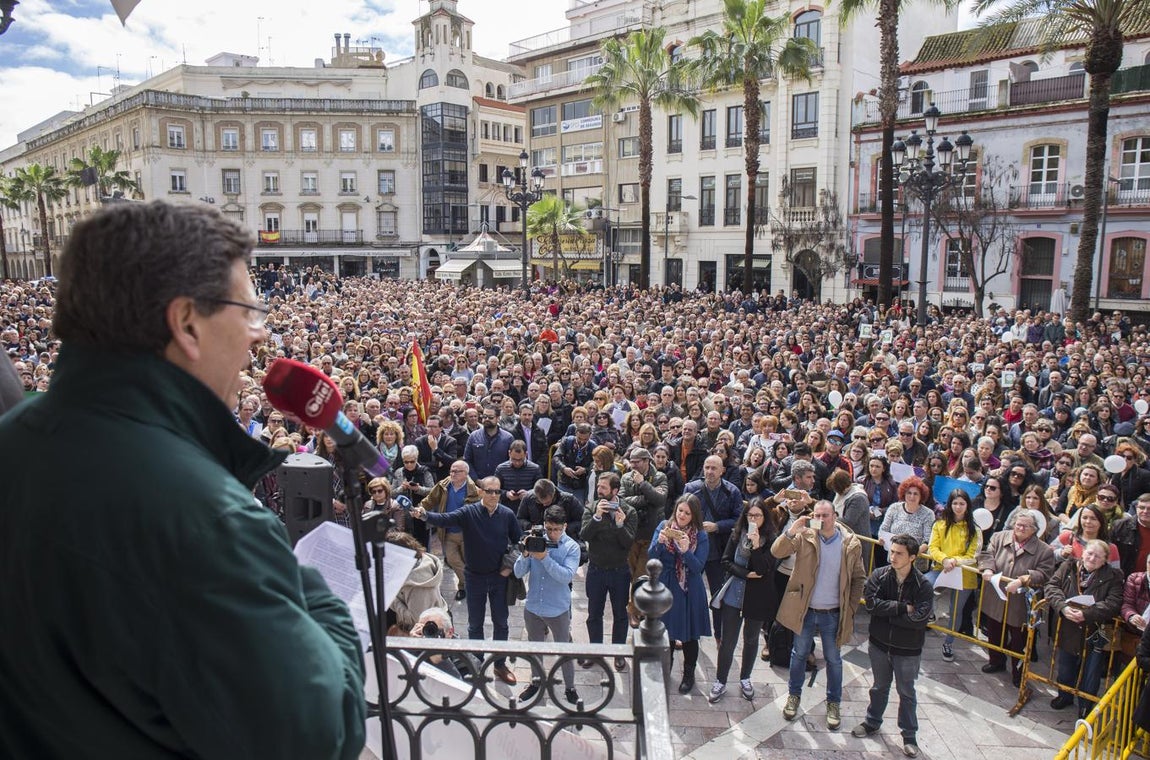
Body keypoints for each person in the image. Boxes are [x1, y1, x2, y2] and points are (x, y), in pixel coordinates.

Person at [0, 201, 366, 758]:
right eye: (248, 311)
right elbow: (317, 735)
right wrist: (308, 589)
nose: (258, 338)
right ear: (187, 323)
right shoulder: (207, 521)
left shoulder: (14, 437)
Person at [412, 475, 523, 686]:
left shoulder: (507, 515)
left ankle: (500, 664)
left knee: (501, 623)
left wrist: (508, 567)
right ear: (480, 491)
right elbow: (445, 519)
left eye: (497, 492)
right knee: (475, 624)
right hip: (475, 577)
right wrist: (424, 514)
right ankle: (477, 664)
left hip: (499, 578)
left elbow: (519, 542)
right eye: (489, 491)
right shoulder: (469, 512)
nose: (493, 495)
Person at [772, 499, 866, 730]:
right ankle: (794, 696)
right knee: (799, 654)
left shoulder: (850, 543)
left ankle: (834, 703)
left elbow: (858, 578)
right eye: (817, 515)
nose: (821, 520)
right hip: (806, 609)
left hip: (833, 613)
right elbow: (777, 551)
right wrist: (792, 531)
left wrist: (851, 607)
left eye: (825, 515)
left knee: (834, 659)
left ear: (835, 516)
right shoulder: (805, 537)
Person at [853, 534, 934, 758]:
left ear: (912, 558)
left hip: (907, 650)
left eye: (899, 553)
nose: (893, 557)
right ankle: (872, 721)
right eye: (892, 551)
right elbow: (871, 604)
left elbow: (920, 618)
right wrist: (901, 608)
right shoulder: (880, 575)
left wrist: (887, 615)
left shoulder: (923, 585)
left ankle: (909, 736)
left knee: (906, 692)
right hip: (879, 644)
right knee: (879, 687)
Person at [707, 498, 779, 703]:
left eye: (758, 515)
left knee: (751, 639)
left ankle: (745, 678)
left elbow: (763, 569)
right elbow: (726, 561)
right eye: (750, 515)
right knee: (728, 641)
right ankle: (720, 681)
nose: (754, 519)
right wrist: (745, 574)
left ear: (765, 517)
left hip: (756, 598)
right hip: (734, 594)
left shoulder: (772, 539)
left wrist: (756, 546)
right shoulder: (737, 533)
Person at [977, 509, 1057, 686]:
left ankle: (1018, 673)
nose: (1020, 528)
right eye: (1018, 524)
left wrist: (1023, 579)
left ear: (1034, 529)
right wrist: (988, 568)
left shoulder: (1044, 550)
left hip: (1021, 603)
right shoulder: (999, 537)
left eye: (1026, 526)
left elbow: (1044, 573)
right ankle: (995, 661)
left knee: (1018, 641)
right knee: (994, 632)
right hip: (996, 597)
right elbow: (987, 554)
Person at [512, 505, 582, 705]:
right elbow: (518, 573)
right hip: (533, 607)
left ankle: (570, 687)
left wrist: (544, 558)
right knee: (534, 649)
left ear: (565, 527)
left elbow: (565, 576)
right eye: (549, 529)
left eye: (556, 530)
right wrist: (525, 554)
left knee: (564, 650)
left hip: (558, 609)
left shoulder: (572, 548)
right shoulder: (536, 541)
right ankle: (536, 683)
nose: (552, 534)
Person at [1045, 539, 1123, 717]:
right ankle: (1064, 695)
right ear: (1083, 553)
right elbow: (1051, 586)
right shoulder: (1069, 566)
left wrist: (1087, 614)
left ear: (1105, 560)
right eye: (1089, 553)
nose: (1092, 558)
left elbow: (1113, 603)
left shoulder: (1114, 576)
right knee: (1065, 665)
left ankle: (1086, 705)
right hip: (1067, 626)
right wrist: (1063, 607)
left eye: (1098, 556)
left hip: (1094, 630)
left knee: (1091, 671)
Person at [650, 494, 712, 694]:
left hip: (689, 589)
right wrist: (659, 543)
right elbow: (651, 559)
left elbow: (698, 568)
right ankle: (664, 669)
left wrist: (686, 551)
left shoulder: (700, 536)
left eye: (687, 512)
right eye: (680, 511)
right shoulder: (663, 526)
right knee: (664, 632)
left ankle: (688, 674)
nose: (682, 515)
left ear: (694, 516)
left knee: (689, 636)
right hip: (666, 585)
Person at [684, 454, 745, 643]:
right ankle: (685, 631)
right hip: (694, 548)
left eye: (714, 468)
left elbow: (738, 519)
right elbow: (681, 514)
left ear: (722, 471)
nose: (709, 472)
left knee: (718, 595)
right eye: (707, 467)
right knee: (686, 590)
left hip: (718, 551)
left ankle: (719, 635)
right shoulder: (692, 489)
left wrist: (718, 526)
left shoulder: (732, 491)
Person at [581, 472, 638, 672]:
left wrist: (620, 524)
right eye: (598, 487)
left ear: (615, 491)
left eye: (604, 488)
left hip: (619, 570)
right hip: (596, 570)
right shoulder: (591, 507)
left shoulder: (629, 511)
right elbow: (584, 534)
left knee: (620, 614)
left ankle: (618, 652)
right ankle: (595, 651)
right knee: (593, 614)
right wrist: (597, 517)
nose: (599, 490)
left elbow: (628, 542)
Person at [926, 489, 979, 661]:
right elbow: (933, 547)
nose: (958, 507)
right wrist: (944, 559)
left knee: (955, 611)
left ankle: (948, 642)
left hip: (964, 574)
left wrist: (954, 561)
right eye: (955, 503)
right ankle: (929, 614)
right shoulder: (940, 524)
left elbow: (973, 555)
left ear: (967, 506)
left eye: (962, 504)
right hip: (941, 568)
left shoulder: (974, 529)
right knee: (924, 586)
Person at [619, 447, 669, 625]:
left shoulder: (660, 477)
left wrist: (642, 484)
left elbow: (659, 499)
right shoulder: (625, 478)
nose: (632, 465)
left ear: (647, 461)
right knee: (632, 573)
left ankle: (635, 610)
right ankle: (636, 605)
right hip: (632, 533)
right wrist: (646, 500)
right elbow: (622, 501)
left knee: (642, 573)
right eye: (631, 461)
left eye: (636, 461)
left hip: (651, 533)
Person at [420, 460, 481, 601]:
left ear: (465, 474)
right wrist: (421, 508)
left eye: (456, 471)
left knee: (467, 560)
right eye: (451, 470)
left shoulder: (474, 491)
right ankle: (469, 584)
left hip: (466, 533)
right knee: (453, 561)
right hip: (447, 532)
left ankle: (463, 587)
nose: (452, 473)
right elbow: (430, 499)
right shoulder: (443, 485)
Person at [386, 530, 447, 634]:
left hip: (420, 635)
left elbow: (415, 619)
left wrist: (390, 598)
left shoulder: (417, 584)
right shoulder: (419, 560)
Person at [463, 406, 514, 480]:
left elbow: (512, 462)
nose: (487, 419)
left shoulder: (508, 438)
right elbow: (467, 460)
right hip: (478, 484)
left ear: (498, 418)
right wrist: (476, 480)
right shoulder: (473, 436)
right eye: (484, 416)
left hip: (501, 483)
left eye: (490, 417)